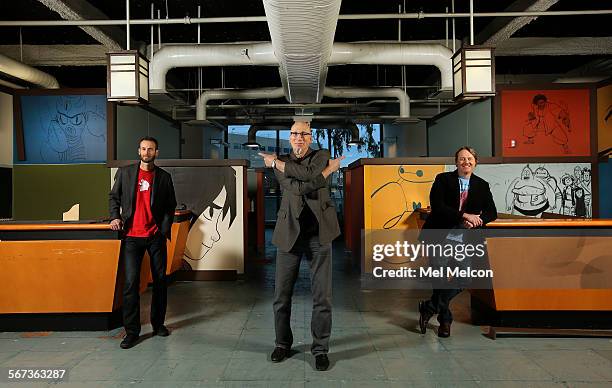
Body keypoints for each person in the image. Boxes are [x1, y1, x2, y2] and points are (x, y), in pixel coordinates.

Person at [259, 121, 344, 371]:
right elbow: (297, 188)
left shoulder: (321, 155)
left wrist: (318, 173)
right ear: (290, 137)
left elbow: (307, 177)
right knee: (281, 296)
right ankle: (282, 344)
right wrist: (326, 174)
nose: (298, 138)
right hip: (289, 235)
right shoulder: (281, 161)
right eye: (294, 134)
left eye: (303, 134)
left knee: (323, 297)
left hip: (320, 234)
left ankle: (320, 350)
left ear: (310, 137)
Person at [418, 146, 497, 338]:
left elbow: (491, 212)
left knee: (465, 278)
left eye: (469, 159)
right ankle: (445, 322)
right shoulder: (443, 179)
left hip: (465, 238)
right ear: (456, 162)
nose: (466, 162)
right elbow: (438, 207)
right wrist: (465, 215)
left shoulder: (482, 185)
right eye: (462, 159)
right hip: (440, 234)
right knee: (440, 279)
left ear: (475, 162)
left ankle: (429, 307)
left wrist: (479, 221)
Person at [109, 136, 177, 349]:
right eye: (144, 149)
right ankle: (131, 331)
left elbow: (170, 206)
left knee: (159, 282)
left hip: (155, 237)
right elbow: (114, 197)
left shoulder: (164, 177)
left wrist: (163, 229)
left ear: (157, 152)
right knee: (130, 284)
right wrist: (115, 216)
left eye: (151, 149)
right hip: (131, 237)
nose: (147, 152)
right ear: (138, 151)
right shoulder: (126, 173)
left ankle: (158, 325)